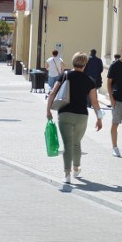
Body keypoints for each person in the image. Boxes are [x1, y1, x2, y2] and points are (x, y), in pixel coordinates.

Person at [46, 52, 103, 184]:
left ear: (73, 61)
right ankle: (76, 168)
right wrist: (99, 118)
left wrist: (48, 110)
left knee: (67, 144)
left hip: (65, 113)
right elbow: (95, 102)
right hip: (82, 115)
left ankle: (67, 175)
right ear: (85, 64)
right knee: (76, 143)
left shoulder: (65, 75)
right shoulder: (90, 80)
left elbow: (53, 93)